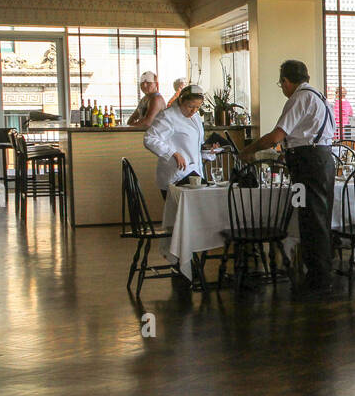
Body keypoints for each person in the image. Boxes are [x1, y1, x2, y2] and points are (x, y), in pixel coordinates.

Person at [240, 59, 336, 300]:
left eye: (281, 82)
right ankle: (320, 277)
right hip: (321, 160)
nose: (282, 88)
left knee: (312, 221)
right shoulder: (319, 96)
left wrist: (249, 149)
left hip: (309, 162)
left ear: (286, 81)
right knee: (317, 219)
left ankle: (318, 281)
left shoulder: (299, 98)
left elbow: (276, 136)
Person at [143, 84, 217, 199]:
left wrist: (208, 150)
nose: (194, 110)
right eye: (190, 106)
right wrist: (173, 153)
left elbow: (194, 146)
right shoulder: (168, 116)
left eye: (197, 107)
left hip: (194, 176)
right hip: (175, 176)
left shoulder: (195, 117)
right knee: (181, 215)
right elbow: (149, 138)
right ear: (181, 101)